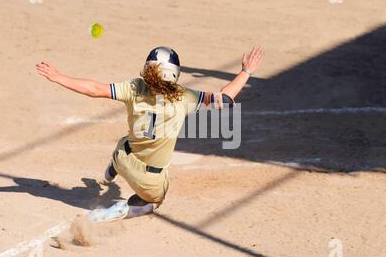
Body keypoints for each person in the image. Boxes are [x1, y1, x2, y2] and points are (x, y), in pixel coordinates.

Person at [36, 46, 263, 222]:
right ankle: (122, 210)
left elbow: (95, 90)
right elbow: (224, 98)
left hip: (126, 157)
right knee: (154, 202)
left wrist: (58, 76)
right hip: (150, 180)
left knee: (125, 141)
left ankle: (113, 167)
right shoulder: (184, 97)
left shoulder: (135, 88)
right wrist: (246, 71)